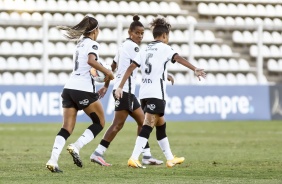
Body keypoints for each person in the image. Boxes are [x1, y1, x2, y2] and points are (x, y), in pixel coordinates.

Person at [67, 15, 171, 167]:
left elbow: (113, 67)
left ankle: (141, 155)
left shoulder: (122, 46)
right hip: (126, 92)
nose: (140, 36)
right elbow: (141, 65)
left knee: (130, 123)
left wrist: (106, 86)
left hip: (121, 90)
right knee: (136, 123)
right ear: (130, 32)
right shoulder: (134, 48)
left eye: (142, 33)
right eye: (137, 33)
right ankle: (101, 153)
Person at [114, 16, 206, 168]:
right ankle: (134, 157)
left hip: (144, 93)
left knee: (161, 124)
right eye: (167, 36)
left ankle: (170, 158)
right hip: (156, 94)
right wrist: (194, 69)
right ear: (164, 36)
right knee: (148, 124)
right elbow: (178, 58)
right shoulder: (165, 48)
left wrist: (119, 86)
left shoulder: (145, 49)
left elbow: (131, 68)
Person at [45, 15, 114, 173]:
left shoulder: (79, 43)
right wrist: (107, 72)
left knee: (66, 128)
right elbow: (91, 61)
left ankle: (53, 160)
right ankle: (76, 147)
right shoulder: (92, 44)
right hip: (83, 89)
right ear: (95, 30)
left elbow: (88, 66)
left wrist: (101, 75)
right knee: (100, 123)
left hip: (68, 89)